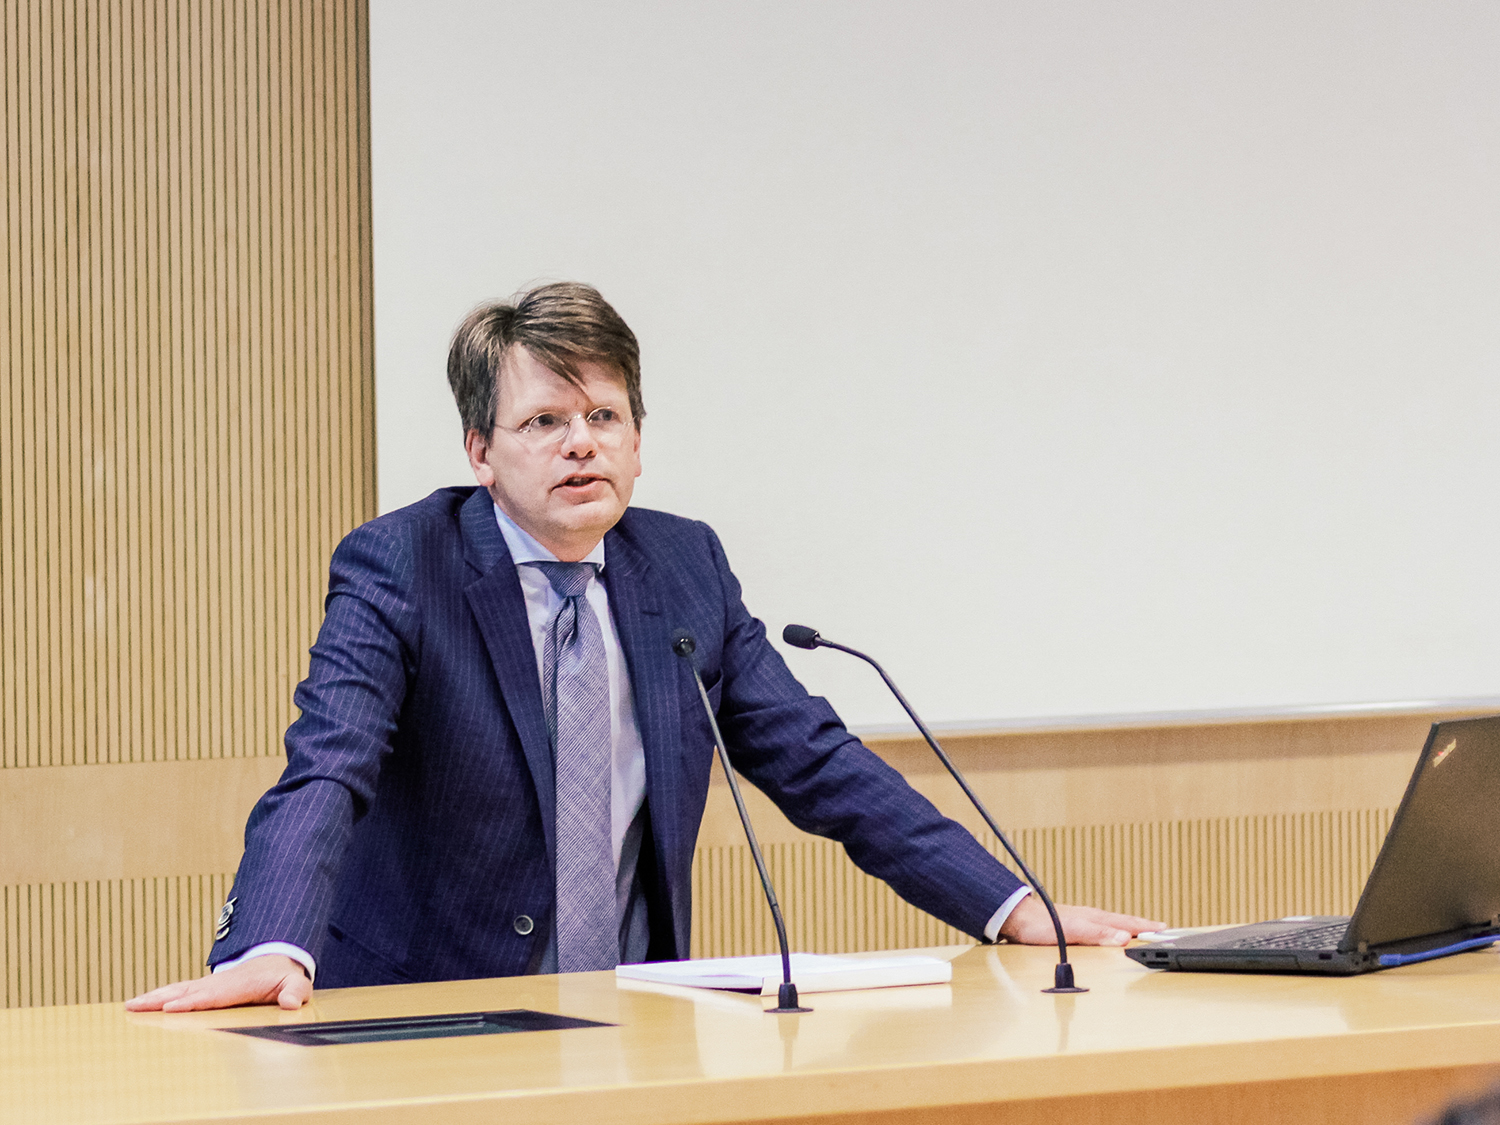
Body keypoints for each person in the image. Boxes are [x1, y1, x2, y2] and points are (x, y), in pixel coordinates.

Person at [128, 282, 1161, 1012]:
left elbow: (816, 762)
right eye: (544, 420)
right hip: (433, 1007)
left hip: (635, 1016)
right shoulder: (403, 563)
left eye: (604, 415)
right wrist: (273, 941)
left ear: (637, 438)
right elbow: (328, 768)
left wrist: (1008, 908)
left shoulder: (683, 565)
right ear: (481, 451)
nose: (581, 441)